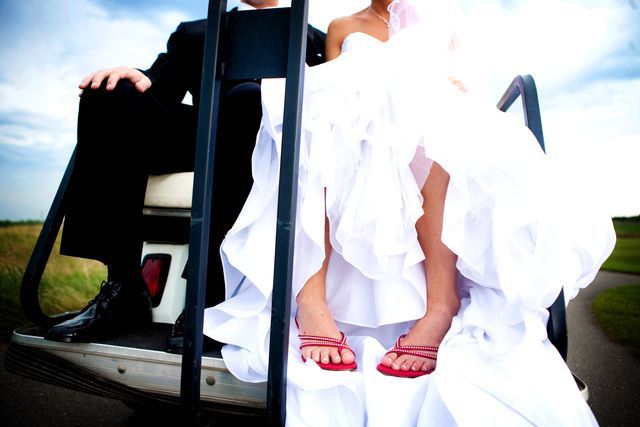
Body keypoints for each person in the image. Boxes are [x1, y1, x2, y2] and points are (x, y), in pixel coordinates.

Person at [203, 0, 615, 425]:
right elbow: (333, 79)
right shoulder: (342, 26)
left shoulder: (442, 26)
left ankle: (440, 305)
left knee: (440, 129)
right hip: (360, 130)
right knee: (319, 117)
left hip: (420, 126)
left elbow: (461, 83)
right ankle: (312, 300)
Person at [44, 0, 327, 345]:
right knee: (110, 91)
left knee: (249, 100)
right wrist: (139, 77)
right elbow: (160, 87)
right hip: (205, 137)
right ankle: (123, 286)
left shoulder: (316, 41)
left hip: (277, 148)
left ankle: (210, 296)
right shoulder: (196, 31)